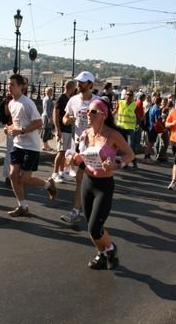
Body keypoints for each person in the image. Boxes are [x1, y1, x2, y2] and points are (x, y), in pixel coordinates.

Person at [72, 99, 134, 269]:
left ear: (103, 115)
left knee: (95, 228)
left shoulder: (112, 135)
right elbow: (80, 157)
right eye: (87, 111)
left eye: (92, 112)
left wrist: (117, 163)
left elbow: (130, 154)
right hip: (87, 182)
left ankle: (111, 248)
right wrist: (75, 159)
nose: (87, 114)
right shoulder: (85, 134)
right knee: (91, 226)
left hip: (104, 185)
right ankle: (101, 254)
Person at [5, 74, 57, 216]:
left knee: (25, 179)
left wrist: (20, 130)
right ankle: (22, 206)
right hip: (17, 145)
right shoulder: (11, 103)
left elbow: (38, 123)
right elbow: (17, 123)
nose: (9, 87)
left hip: (31, 147)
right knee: (13, 175)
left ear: (21, 86)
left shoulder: (27, 103)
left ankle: (48, 185)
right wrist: (9, 128)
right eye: (8, 84)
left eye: (12, 85)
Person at [61, 71, 99, 223]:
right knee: (80, 178)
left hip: (94, 145)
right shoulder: (73, 100)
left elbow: (106, 122)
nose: (79, 84)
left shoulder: (98, 102)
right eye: (78, 81)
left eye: (82, 82)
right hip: (78, 144)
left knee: (87, 179)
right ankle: (77, 210)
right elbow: (64, 117)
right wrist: (67, 120)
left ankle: (82, 209)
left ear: (90, 84)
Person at [51, 80, 76, 183]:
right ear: (72, 87)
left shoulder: (67, 98)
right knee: (60, 152)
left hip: (67, 129)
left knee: (64, 152)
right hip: (63, 129)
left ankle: (61, 172)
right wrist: (58, 130)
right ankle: (55, 173)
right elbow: (55, 114)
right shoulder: (62, 98)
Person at [113, 89, 142, 168]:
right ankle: (125, 162)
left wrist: (139, 125)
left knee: (130, 145)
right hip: (121, 127)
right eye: (127, 94)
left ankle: (133, 160)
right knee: (123, 146)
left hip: (130, 128)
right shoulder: (120, 103)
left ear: (133, 97)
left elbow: (138, 116)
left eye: (130, 95)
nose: (128, 96)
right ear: (125, 95)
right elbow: (115, 111)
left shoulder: (135, 105)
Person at [41, 87, 54, 151]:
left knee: (45, 130)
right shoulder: (48, 99)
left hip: (45, 116)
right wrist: (50, 118)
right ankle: (45, 145)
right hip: (47, 116)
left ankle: (45, 145)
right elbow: (47, 110)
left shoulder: (45, 99)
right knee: (46, 130)